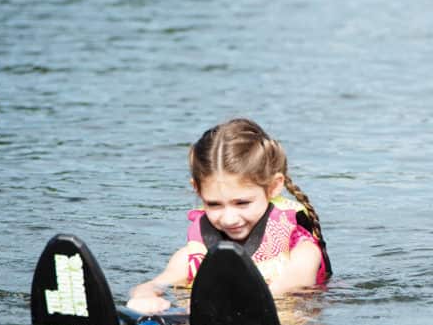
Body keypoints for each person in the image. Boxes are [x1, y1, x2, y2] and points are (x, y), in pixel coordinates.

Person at [127, 118, 331, 314]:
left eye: (242, 203)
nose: (229, 219)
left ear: (273, 187)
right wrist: (145, 296)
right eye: (214, 204)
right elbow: (155, 284)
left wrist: (222, 306)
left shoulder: (303, 251)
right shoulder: (192, 254)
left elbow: (293, 283)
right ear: (197, 190)